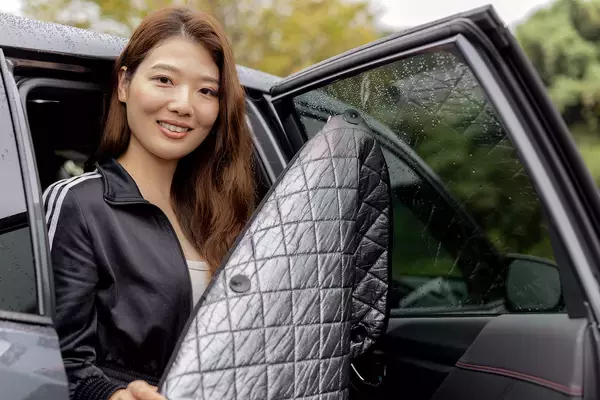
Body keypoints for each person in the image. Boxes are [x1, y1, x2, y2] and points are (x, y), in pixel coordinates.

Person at [42, 6, 255, 400]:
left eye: (207, 91)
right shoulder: (80, 203)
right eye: (164, 80)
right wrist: (111, 395)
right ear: (124, 84)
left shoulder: (225, 213)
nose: (184, 104)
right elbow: (55, 362)